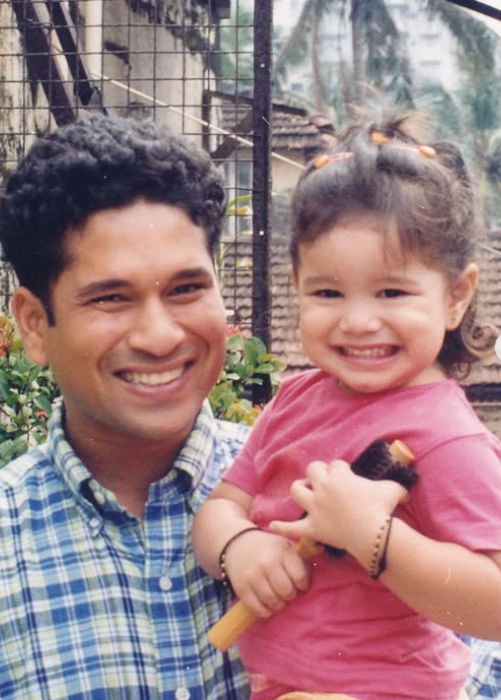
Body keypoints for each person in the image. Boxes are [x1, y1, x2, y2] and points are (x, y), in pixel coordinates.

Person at [0, 114, 250, 699]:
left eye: (186, 289)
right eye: (111, 298)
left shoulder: (324, 502)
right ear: (34, 325)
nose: (159, 336)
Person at [192, 114, 501, 700]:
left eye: (392, 292)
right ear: (296, 286)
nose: (358, 321)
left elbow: (494, 607)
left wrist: (374, 538)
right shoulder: (296, 399)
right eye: (328, 292)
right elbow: (220, 509)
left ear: (456, 296)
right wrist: (239, 546)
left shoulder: (447, 438)